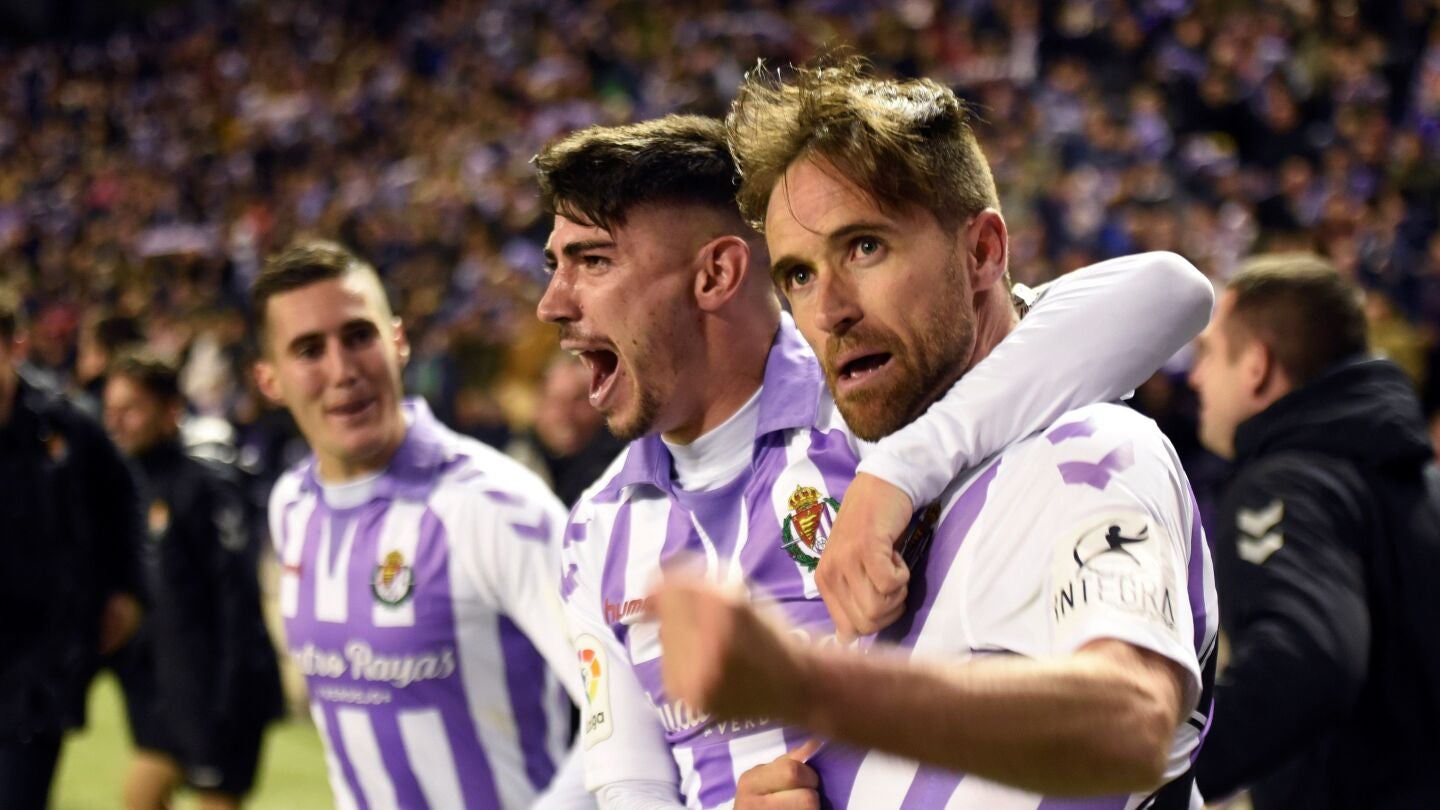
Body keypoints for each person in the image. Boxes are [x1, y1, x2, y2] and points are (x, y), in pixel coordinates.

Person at [535, 112, 1213, 807]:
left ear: (718, 273)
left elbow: (1163, 293)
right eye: (799, 274)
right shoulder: (597, 530)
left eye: (594, 261)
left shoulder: (886, 407)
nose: (550, 305)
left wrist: (896, 470)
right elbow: (629, 789)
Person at [252, 242, 592, 809]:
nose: (343, 371)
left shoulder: (495, 506)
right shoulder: (292, 506)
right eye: (309, 350)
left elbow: (623, 711)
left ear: (398, 341)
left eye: (359, 336)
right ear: (269, 380)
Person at [1186, 254, 1440, 809]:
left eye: (1208, 354)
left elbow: (1304, 660)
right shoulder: (1413, 479)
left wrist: (1162, 772)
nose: (1196, 377)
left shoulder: (1287, 484)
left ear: (1256, 366)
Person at [102, 352, 285, 810]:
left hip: (221, 691)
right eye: (112, 409)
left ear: (171, 412)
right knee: (140, 798)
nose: (116, 421)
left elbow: (236, 600)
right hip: (170, 693)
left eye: (131, 409)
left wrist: (232, 696)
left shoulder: (203, 485)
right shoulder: (131, 484)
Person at [0, 289, 146, 810]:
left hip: (38, 662)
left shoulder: (62, 423)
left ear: (14, 347)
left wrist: (127, 590)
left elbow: (124, 499)